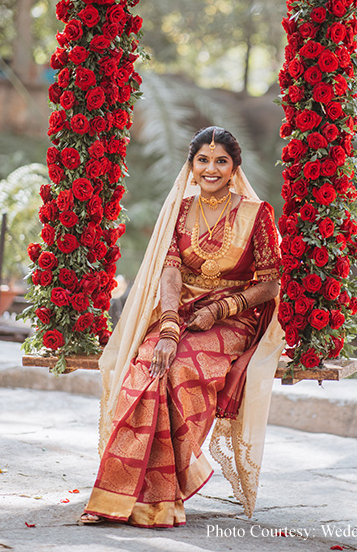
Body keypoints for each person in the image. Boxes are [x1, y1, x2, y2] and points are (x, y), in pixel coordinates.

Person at [79, 126, 284, 528]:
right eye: (203, 160)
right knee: (147, 366)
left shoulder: (255, 214)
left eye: (220, 160)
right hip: (182, 309)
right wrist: (170, 327)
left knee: (183, 369)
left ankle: (161, 498)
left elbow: (270, 283)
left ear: (233, 167)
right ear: (191, 167)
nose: (211, 168)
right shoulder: (179, 210)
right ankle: (118, 496)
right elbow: (170, 270)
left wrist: (225, 307)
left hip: (235, 316)